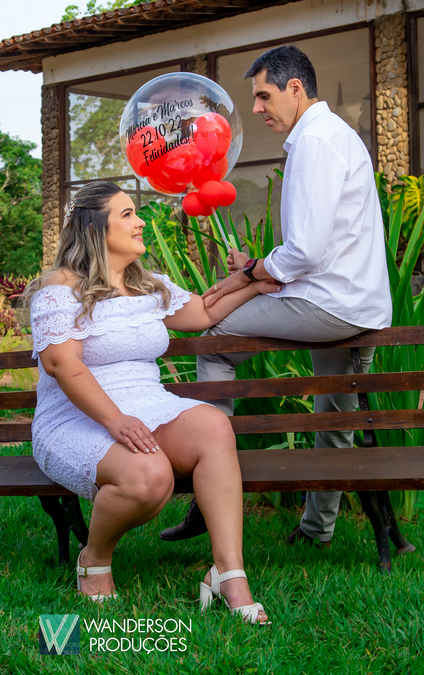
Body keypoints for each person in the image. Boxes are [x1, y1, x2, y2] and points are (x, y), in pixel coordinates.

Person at [159, 44, 392, 548]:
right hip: (355, 304)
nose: (257, 107)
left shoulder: (315, 142)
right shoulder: (334, 135)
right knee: (335, 415)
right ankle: (316, 530)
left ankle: (205, 494)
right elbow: (319, 245)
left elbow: (304, 250)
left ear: (295, 88)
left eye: (264, 96)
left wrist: (252, 272)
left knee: (215, 342)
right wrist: (257, 271)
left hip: (328, 304)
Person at [25, 180, 278, 623]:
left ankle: (229, 573)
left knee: (213, 425)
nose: (140, 221)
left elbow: (203, 312)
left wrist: (252, 282)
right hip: (75, 418)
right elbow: (62, 365)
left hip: (149, 406)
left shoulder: (146, 285)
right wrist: (115, 420)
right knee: (149, 477)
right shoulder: (59, 289)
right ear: (94, 228)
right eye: (127, 214)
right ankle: (94, 558)